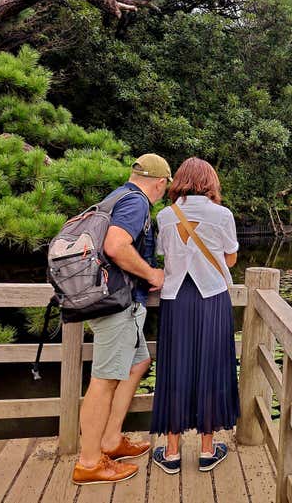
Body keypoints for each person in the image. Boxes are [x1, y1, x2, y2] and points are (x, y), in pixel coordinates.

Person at [72, 153, 172, 485]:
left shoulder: (117, 195)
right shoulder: (137, 203)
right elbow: (115, 246)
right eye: (165, 187)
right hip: (115, 305)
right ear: (160, 183)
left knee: (137, 364)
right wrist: (152, 273)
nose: (164, 193)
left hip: (115, 303)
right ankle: (88, 462)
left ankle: (112, 440)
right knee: (103, 380)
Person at [149, 157, 240, 474]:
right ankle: (206, 450)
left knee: (174, 369)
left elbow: (163, 255)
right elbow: (230, 259)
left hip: (175, 300)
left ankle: (171, 453)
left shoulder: (164, 215)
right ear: (210, 182)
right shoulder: (223, 215)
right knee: (211, 368)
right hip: (212, 299)